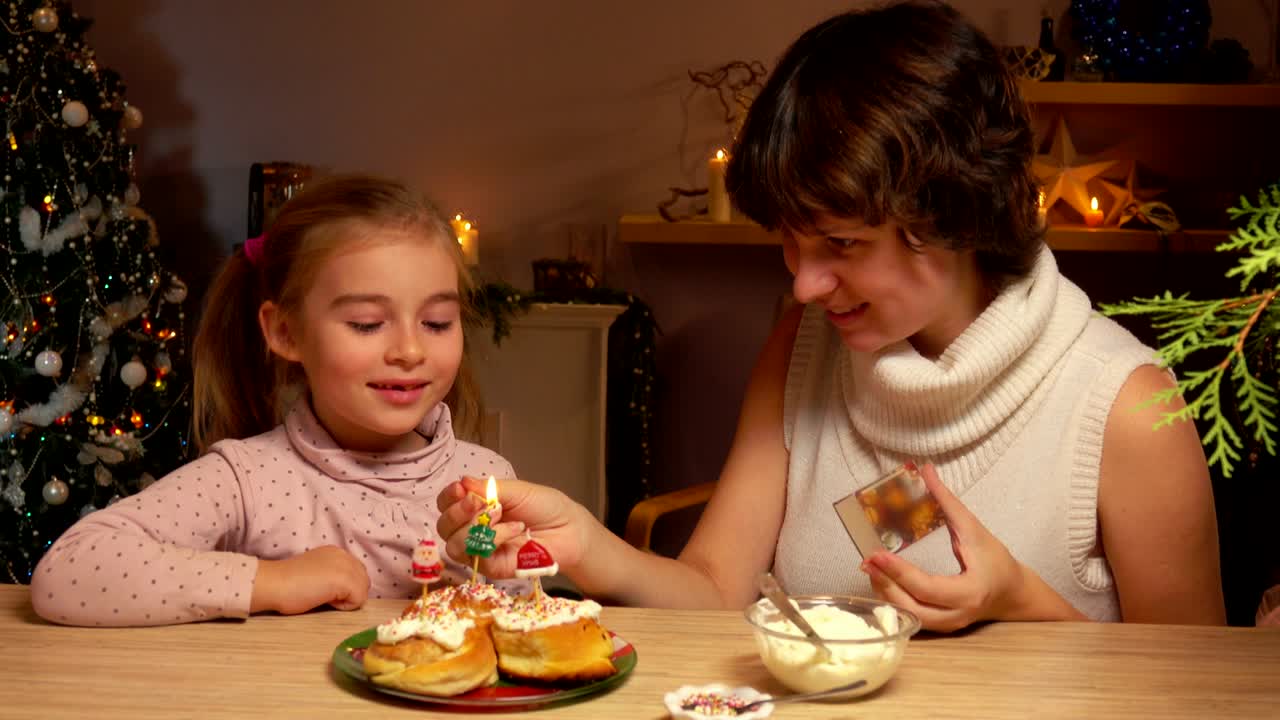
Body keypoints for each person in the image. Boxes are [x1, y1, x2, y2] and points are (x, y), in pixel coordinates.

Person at [437, 0, 1226, 631]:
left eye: (842, 243)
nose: (806, 285)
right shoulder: (807, 346)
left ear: (958, 213)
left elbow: (1191, 694)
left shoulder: (1122, 407)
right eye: (791, 241)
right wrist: (587, 545)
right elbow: (717, 587)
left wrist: (1018, 599)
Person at [31, 175, 527, 626]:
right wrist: (270, 583)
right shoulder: (248, 479)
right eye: (366, 324)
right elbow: (70, 571)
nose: (410, 351)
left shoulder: (487, 481)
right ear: (286, 332)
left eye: (437, 322)